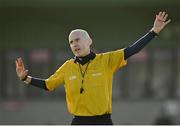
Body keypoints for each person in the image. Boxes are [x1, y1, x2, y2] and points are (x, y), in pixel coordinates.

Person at [15, 11, 171, 125]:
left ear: (89, 41)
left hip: (102, 121)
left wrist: (154, 32)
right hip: (78, 121)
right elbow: (48, 85)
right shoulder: (67, 67)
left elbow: (132, 49)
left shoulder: (106, 60)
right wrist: (25, 78)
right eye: (71, 42)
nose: (74, 44)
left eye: (77, 40)